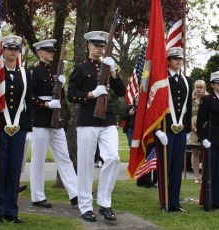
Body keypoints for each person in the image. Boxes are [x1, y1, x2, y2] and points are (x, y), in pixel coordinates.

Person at [67, 31, 126, 222]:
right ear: (88, 46)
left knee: (113, 158)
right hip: (87, 120)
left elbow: (121, 91)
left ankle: (105, 203)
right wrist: (91, 94)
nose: (99, 48)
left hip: (107, 119)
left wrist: (114, 72)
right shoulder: (81, 68)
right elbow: (71, 94)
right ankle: (85, 206)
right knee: (85, 164)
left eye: (102, 45)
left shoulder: (108, 66)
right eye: (96, 45)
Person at [29, 39, 78, 209]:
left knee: (64, 157)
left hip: (55, 120)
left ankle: (75, 193)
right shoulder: (34, 72)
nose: (51, 53)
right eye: (48, 51)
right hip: (41, 119)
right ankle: (37, 196)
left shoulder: (52, 73)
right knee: (38, 159)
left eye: (52, 51)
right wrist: (46, 104)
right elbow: (30, 96)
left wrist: (61, 85)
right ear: (39, 52)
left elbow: (59, 96)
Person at [0, 35, 32, 224]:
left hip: (19, 128)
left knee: (15, 169)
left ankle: (12, 210)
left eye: (15, 49)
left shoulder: (25, 73)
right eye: (9, 49)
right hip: (1, 127)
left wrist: (29, 128)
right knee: (1, 168)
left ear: (18, 52)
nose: (12, 52)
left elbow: (29, 101)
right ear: (4, 50)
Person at [155, 47, 192, 212]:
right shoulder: (162, 79)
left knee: (177, 166)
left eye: (180, 58)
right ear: (168, 60)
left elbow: (188, 107)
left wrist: (189, 129)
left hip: (181, 130)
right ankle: (165, 202)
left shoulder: (187, 80)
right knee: (165, 167)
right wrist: (157, 129)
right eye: (175, 58)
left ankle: (175, 203)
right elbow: (154, 106)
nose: (178, 61)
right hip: (165, 130)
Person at [197, 71, 219, 211]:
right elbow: (200, 122)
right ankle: (208, 202)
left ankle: (218, 202)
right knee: (210, 171)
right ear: (212, 84)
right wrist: (203, 138)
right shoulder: (207, 99)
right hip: (211, 139)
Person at [187, 80, 208, 184]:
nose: (199, 89)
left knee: (206, 153)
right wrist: (191, 124)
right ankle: (196, 177)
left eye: (201, 87)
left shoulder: (208, 99)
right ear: (194, 88)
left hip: (206, 129)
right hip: (193, 129)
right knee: (195, 152)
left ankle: (205, 176)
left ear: (204, 89)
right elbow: (187, 114)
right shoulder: (190, 99)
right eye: (197, 87)